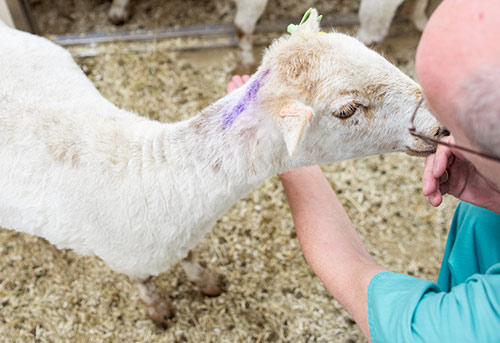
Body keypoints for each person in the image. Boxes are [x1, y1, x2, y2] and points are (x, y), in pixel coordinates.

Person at [227, 1, 500, 341]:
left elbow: (351, 271)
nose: (443, 137)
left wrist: (279, 153)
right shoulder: (485, 192)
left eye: (453, 125)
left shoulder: (475, 324)